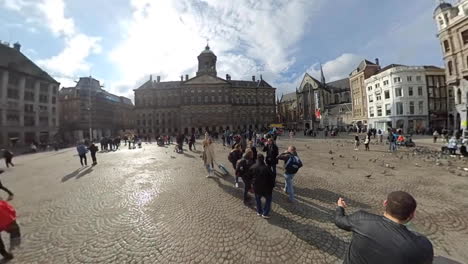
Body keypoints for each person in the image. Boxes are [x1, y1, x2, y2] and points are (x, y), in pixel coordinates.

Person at [335, 191, 433, 264]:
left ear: (385, 203)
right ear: (412, 215)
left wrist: (340, 207)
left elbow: (339, 221)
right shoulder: (422, 246)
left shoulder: (361, 219)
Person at [251, 154, 275, 219]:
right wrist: (272, 187)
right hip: (266, 189)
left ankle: (259, 211)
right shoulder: (267, 168)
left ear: (257, 159)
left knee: (258, 199)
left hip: (257, 188)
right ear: (263, 159)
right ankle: (265, 213)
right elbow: (272, 179)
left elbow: (249, 177)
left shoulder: (253, 167)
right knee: (268, 200)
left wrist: (252, 185)